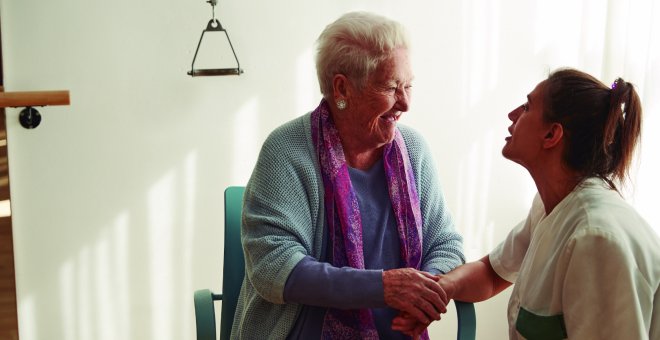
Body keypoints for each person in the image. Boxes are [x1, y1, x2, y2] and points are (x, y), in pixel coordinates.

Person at [230, 11, 464, 340]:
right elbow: (273, 265)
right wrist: (383, 288)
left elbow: (446, 245)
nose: (406, 103)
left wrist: (421, 294)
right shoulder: (286, 151)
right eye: (391, 86)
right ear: (342, 88)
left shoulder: (414, 150)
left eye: (409, 85)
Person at [393, 68, 660, 339]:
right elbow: (491, 274)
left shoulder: (596, 240)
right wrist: (442, 288)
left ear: (551, 135)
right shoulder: (551, 207)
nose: (512, 115)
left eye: (527, 107)